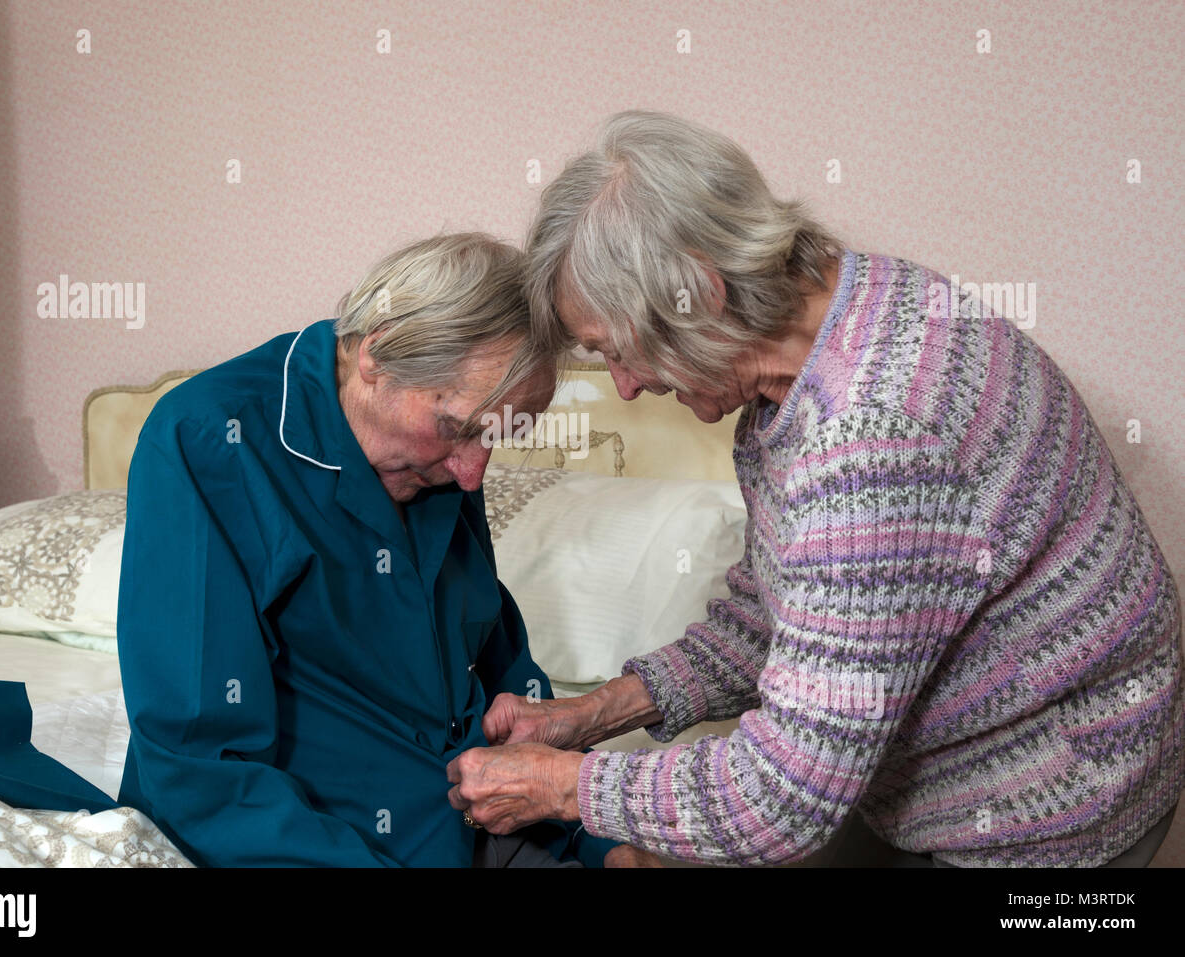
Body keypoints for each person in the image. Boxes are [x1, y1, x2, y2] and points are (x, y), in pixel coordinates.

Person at [447, 111, 1184, 867]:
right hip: (953, 769)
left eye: (616, 352)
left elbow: (784, 794)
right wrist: (595, 711)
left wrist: (570, 787)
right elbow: (780, 606)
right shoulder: (839, 316)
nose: (627, 388)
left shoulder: (871, 437)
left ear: (697, 294)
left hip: (1052, 810)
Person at [116, 232, 621, 867]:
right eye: (458, 428)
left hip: (486, 827)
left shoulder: (435, 458)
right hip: (302, 849)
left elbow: (506, 686)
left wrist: (605, 841)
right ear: (377, 357)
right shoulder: (210, 441)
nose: (472, 475)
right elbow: (199, 768)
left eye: (497, 437)